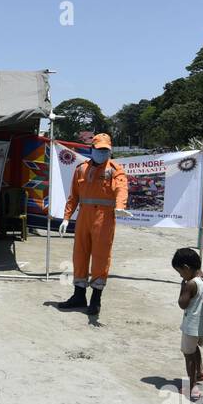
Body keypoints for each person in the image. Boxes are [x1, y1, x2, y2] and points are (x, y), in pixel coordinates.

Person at [59, 133, 129, 317]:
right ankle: (78, 296)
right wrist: (66, 218)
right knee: (79, 255)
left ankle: (96, 300)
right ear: (92, 149)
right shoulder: (81, 169)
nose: (102, 153)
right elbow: (73, 195)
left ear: (110, 150)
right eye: (99, 150)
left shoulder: (115, 169)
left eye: (106, 150)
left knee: (100, 257)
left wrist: (120, 206)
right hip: (84, 216)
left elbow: (122, 188)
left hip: (104, 219)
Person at [173, 247, 203, 401]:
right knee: (194, 348)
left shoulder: (191, 284)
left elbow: (182, 304)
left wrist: (182, 287)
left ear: (186, 268)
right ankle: (200, 371)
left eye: (180, 272)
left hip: (191, 327)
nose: (181, 275)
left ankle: (192, 387)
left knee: (188, 354)